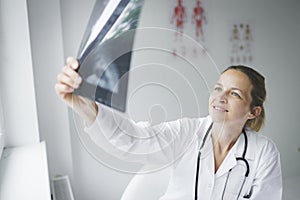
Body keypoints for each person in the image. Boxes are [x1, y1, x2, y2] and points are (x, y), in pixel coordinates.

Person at [55, 57, 282, 199]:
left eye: (234, 93)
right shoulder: (186, 132)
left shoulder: (263, 153)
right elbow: (133, 140)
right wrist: (86, 107)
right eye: (218, 88)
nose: (220, 98)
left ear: (253, 112)